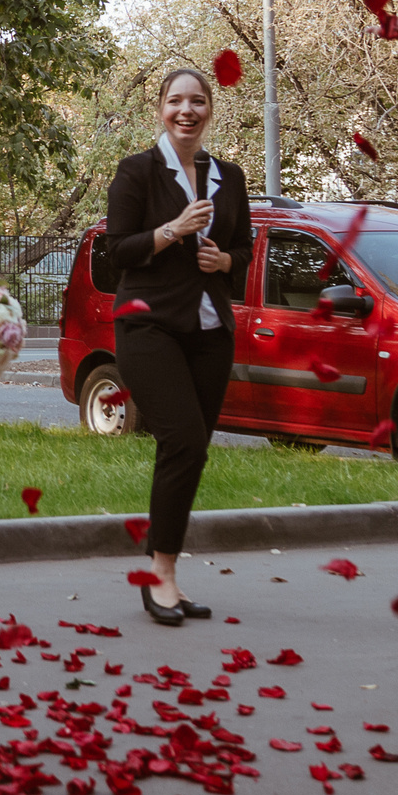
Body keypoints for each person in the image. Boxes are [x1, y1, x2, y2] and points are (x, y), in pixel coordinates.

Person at [101, 67, 253, 626]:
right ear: (160, 109)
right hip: (148, 327)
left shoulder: (229, 177)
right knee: (183, 437)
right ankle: (159, 578)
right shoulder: (138, 171)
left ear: (210, 109)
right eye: (175, 101)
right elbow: (118, 250)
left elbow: (246, 247)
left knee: (189, 450)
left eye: (198, 101)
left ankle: (165, 570)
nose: (186, 111)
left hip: (211, 332)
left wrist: (227, 261)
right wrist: (174, 231)